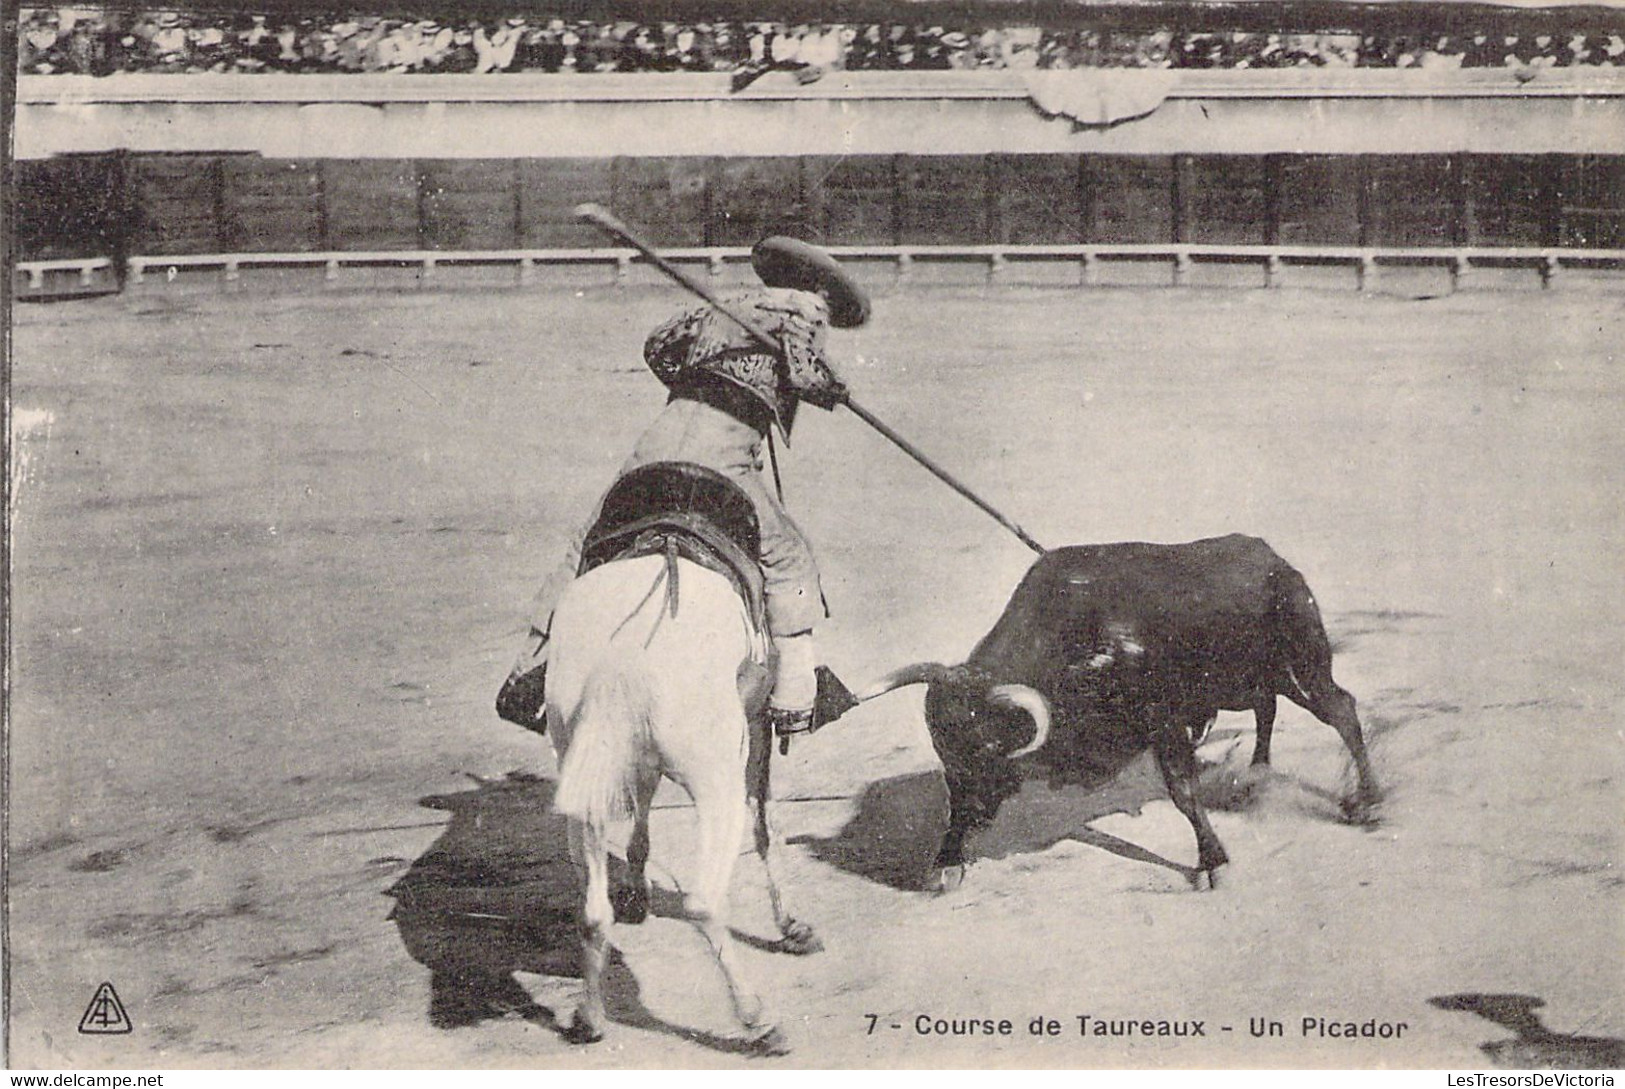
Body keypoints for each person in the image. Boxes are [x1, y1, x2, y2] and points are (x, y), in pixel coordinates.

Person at [496, 236, 870, 741]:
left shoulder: (724, 304)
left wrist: (701, 377)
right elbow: (805, 374)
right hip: (723, 456)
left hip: (655, 448)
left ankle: (529, 670)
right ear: (817, 286)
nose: (827, 310)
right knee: (789, 555)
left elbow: (657, 347)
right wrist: (836, 391)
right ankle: (797, 693)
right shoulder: (805, 312)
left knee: (587, 542)